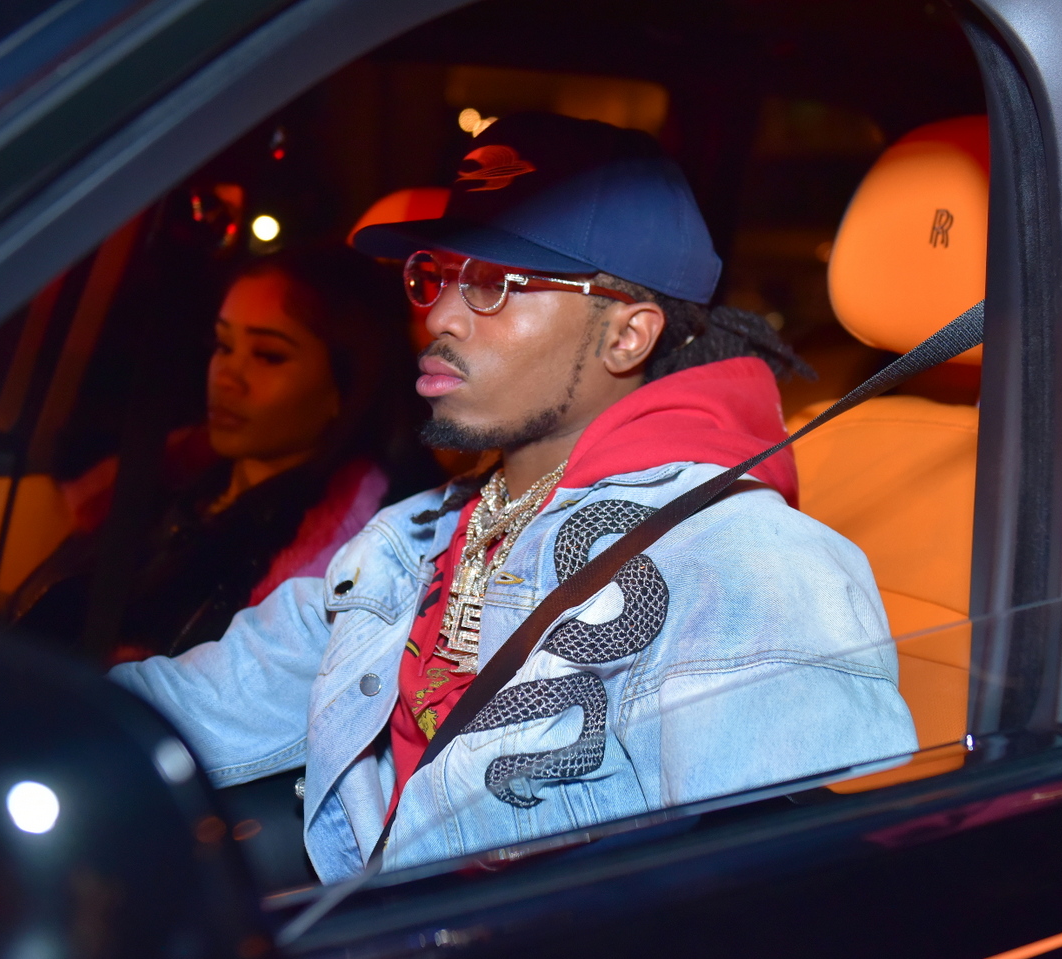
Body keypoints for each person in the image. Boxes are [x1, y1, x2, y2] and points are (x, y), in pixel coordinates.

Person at [110, 113, 916, 881]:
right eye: (434, 276)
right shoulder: (410, 537)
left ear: (627, 335)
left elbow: (777, 902)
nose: (439, 317)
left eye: (495, 285)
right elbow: (205, 702)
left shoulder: (738, 563)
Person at [20, 247, 436, 661]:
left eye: (268, 356)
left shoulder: (329, 556)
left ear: (345, 387)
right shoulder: (173, 480)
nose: (226, 378)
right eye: (222, 345)